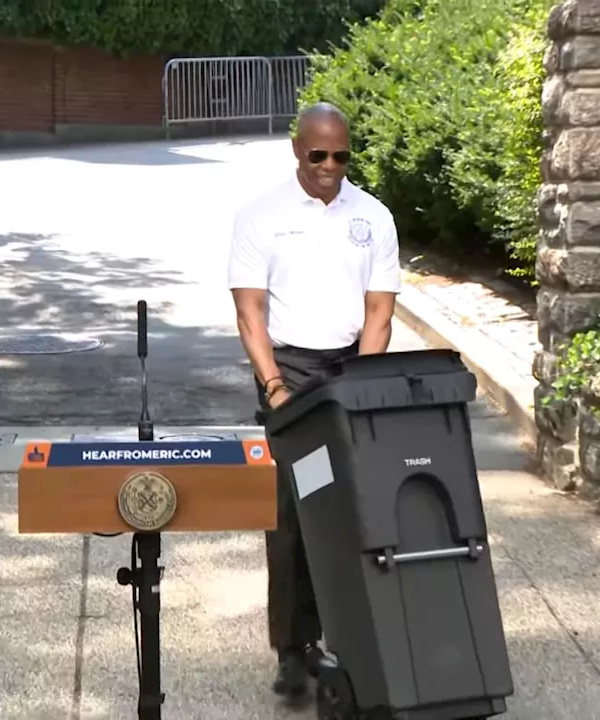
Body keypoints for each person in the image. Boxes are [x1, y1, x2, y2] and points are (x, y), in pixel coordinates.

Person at [226, 102, 401, 705]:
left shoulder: (373, 216)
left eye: (341, 156)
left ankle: (354, 638)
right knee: (297, 512)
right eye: (318, 154)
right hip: (292, 374)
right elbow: (250, 310)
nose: (330, 166)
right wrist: (273, 385)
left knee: (355, 507)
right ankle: (293, 649)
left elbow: (380, 311)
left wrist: (364, 383)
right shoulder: (261, 216)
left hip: (351, 366)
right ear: (297, 150)